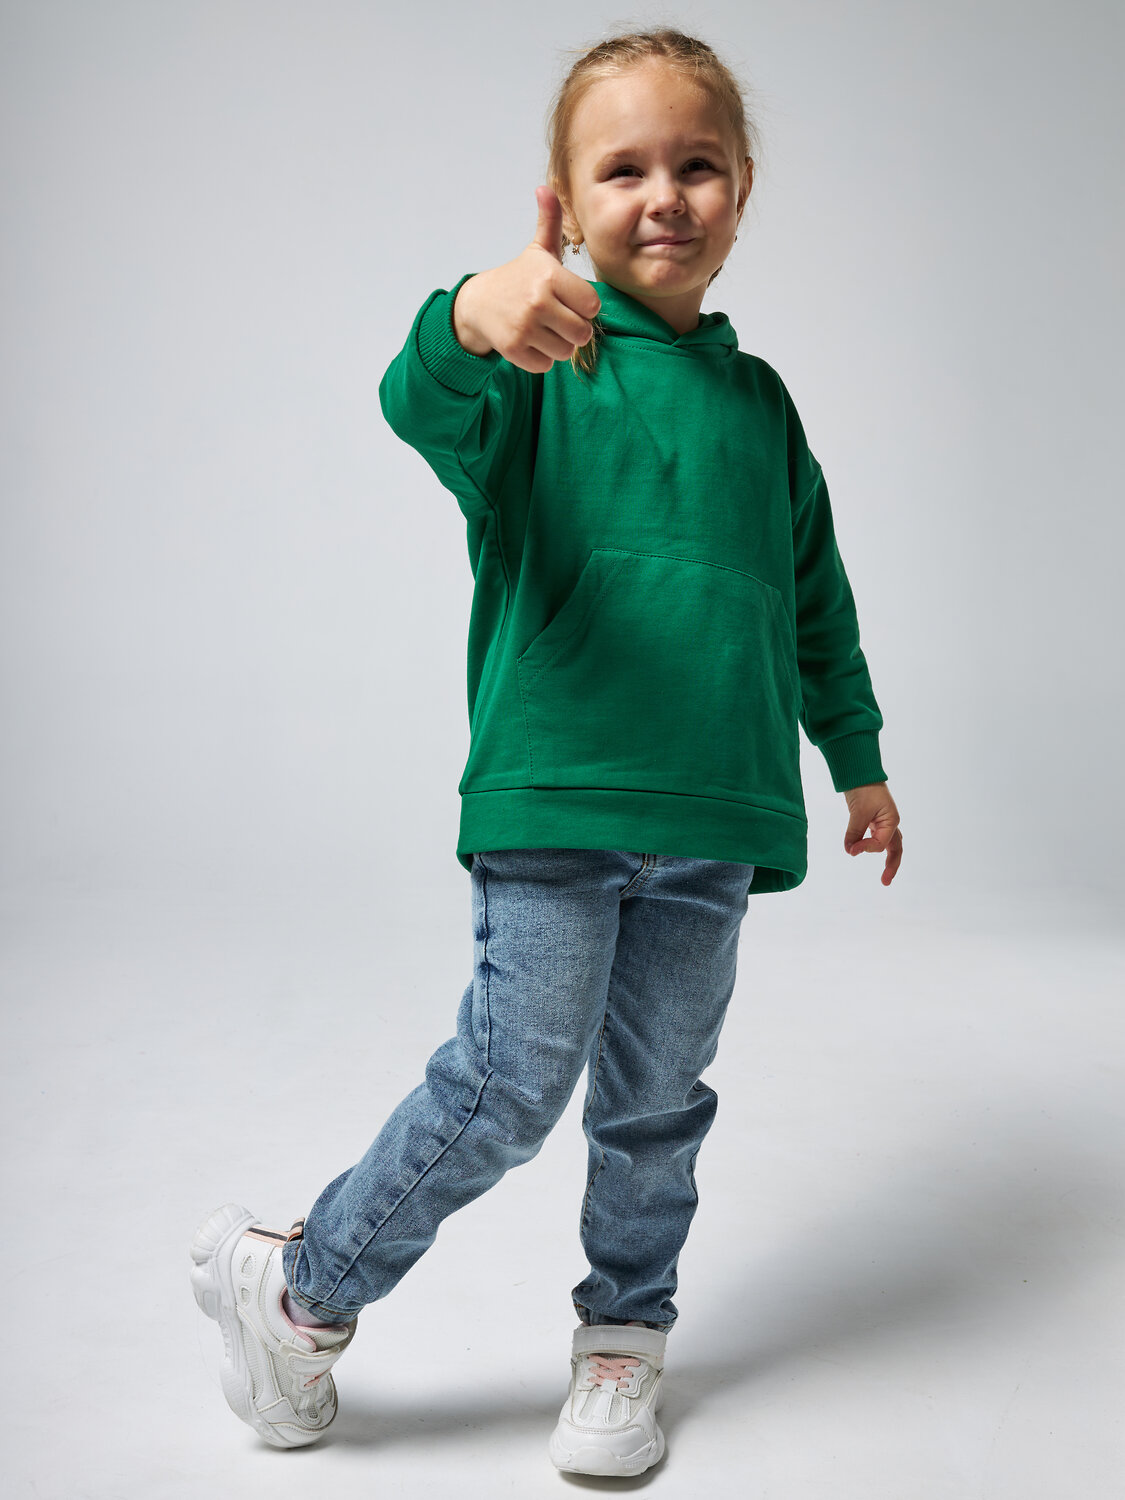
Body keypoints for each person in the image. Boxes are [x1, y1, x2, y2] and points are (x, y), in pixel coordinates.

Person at [190, 25, 903, 1478]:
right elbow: (416, 399)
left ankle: (623, 1339)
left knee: (657, 1106)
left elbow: (814, 597)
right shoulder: (533, 364)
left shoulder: (763, 409)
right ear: (566, 205)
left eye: (696, 165)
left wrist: (857, 757)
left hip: (716, 819)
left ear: (742, 191)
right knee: (510, 1083)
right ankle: (301, 1289)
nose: (664, 195)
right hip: (556, 801)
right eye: (622, 169)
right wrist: (472, 310)